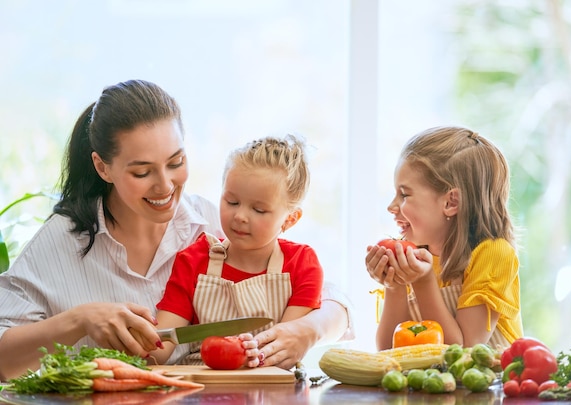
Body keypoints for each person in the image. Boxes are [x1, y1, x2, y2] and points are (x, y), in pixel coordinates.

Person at [0, 79, 352, 381]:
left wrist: (307, 330)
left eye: (176, 163)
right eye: (142, 172)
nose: (165, 186)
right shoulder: (63, 240)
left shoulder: (214, 223)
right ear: (102, 167)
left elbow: (335, 300)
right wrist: (78, 319)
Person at [148, 135, 324, 365]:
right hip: (201, 389)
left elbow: (280, 350)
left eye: (259, 210)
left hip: (270, 390)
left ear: (290, 219)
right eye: (231, 202)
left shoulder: (302, 264)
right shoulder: (192, 260)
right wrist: (138, 343)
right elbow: (159, 348)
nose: (240, 216)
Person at [365, 126, 522, 350]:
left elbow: (463, 351)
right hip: (434, 384)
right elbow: (389, 351)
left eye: (404, 194)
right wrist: (394, 286)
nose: (392, 206)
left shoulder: (493, 254)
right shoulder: (415, 256)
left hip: (487, 384)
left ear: (451, 203)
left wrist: (422, 281)